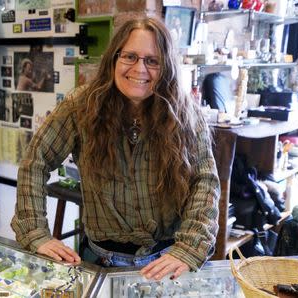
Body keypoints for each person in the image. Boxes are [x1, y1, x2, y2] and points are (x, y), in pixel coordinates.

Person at [11, 17, 220, 281]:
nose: (139, 68)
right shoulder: (81, 106)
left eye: (152, 61)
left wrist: (189, 248)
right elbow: (35, 160)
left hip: (167, 266)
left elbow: (206, 181)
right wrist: (35, 233)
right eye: (130, 56)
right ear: (114, 59)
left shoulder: (185, 113)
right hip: (100, 263)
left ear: (165, 67)